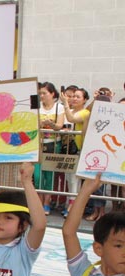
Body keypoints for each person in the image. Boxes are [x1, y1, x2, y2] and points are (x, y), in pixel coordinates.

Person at [60, 87, 90, 217]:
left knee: (74, 180)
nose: (74, 99)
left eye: (78, 97)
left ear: (85, 100)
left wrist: (65, 103)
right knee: (68, 178)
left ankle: (73, 206)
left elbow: (72, 119)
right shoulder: (69, 110)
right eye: (73, 96)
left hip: (78, 149)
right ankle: (69, 202)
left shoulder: (84, 112)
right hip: (67, 149)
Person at [37, 82, 65, 215]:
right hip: (38, 144)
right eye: (40, 93)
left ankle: (46, 203)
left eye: (44, 93)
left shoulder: (59, 107)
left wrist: (51, 124)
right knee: (37, 176)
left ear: (52, 94)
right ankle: (38, 202)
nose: (42, 96)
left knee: (49, 175)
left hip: (53, 144)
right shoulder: (36, 106)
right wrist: (41, 123)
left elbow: (60, 125)